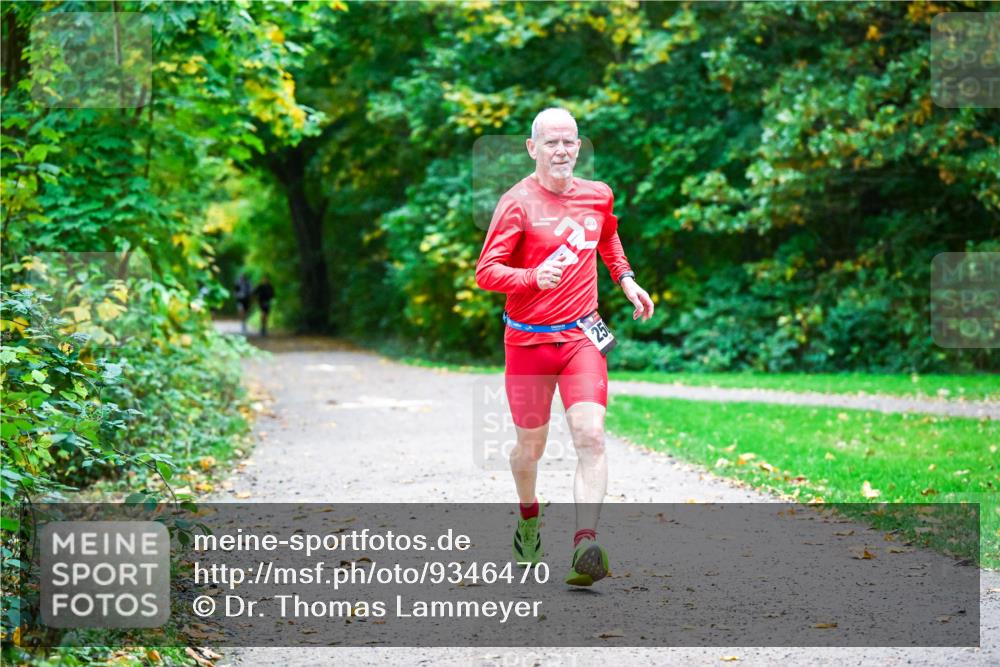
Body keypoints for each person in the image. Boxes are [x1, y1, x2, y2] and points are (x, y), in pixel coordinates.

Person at [475, 108, 654, 586]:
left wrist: (627, 280)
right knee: (529, 449)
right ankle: (529, 520)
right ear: (533, 148)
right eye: (551, 143)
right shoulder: (516, 203)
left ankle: (584, 545)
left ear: (579, 146)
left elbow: (608, 238)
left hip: (581, 337)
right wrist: (533, 277)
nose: (561, 151)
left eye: (569, 142)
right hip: (529, 344)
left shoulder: (597, 196)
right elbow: (486, 272)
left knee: (591, 436)